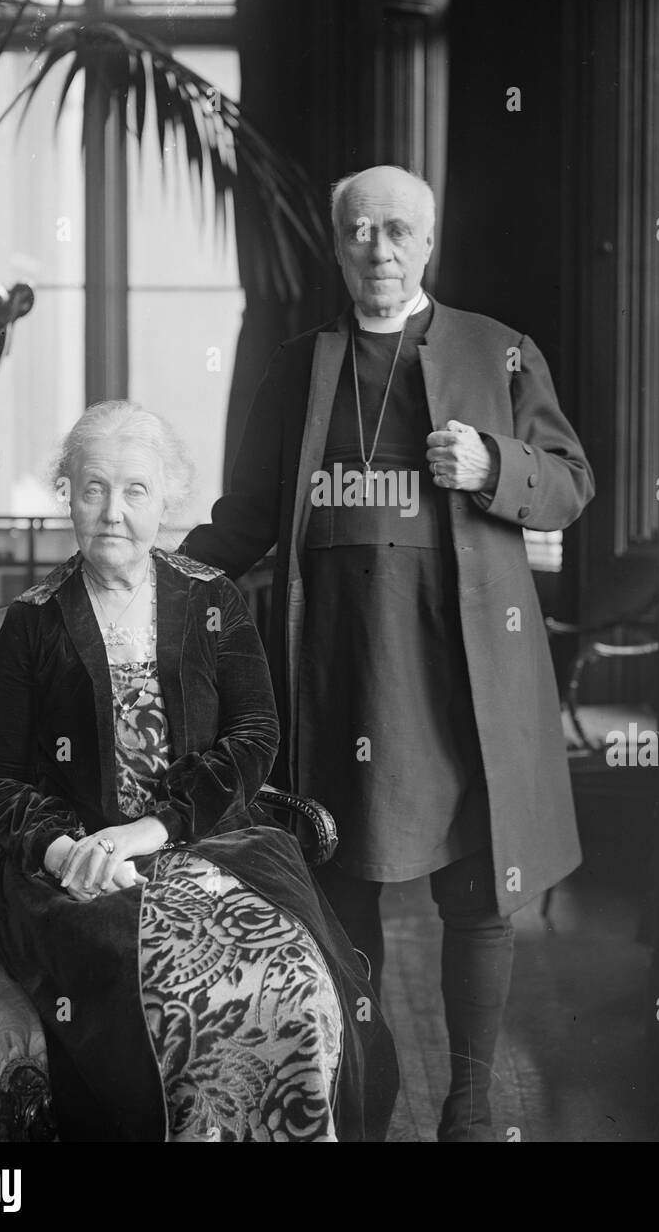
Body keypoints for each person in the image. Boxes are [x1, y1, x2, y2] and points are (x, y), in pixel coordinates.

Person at [181, 164, 595, 1141]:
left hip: (461, 669)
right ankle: (367, 1090)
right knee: (340, 885)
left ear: (428, 243)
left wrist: (494, 465)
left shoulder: (497, 352)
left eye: (398, 230)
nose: (378, 247)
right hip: (334, 664)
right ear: (336, 245)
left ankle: (466, 1101)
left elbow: (572, 482)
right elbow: (241, 521)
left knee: (474, 887)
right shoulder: (297, 366)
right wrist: (147, 576)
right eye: (360, 230)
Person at [0, 401, 397, 1142]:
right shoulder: (33, 622)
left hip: (220, 847)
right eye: (93, 487)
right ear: (67, 493)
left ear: (168, 498)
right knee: (180, 989)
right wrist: (68, 849)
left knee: (294, 981)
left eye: (135, 490)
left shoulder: (210, 599)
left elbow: (256, 733)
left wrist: (153, 827)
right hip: (83, 873)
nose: (112, 511)